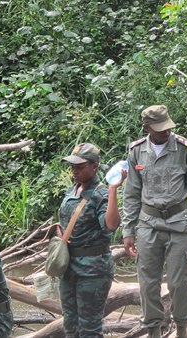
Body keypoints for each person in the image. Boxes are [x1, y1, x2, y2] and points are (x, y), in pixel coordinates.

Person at [122, 105, 187, 338]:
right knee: (148, 283)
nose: (165, 132)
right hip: (148, 224)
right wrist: (128, 231)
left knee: (178, 283)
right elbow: (131, 194)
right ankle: (153, 331)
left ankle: (182, 329)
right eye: (159, 129)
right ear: (147, 128)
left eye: (167, 127)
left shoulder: (184, 148)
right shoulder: (136, 152)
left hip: (179, 224)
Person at [59, 142, 125, 337]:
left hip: (93, 270)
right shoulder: (73, 189)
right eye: (72, 167)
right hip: (68, 267)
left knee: (89, 328)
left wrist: (113, 190)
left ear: (94, 166)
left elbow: (111, 225)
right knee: (70, 324)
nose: (75, 171)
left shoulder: (101, 193)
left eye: (80, 167)